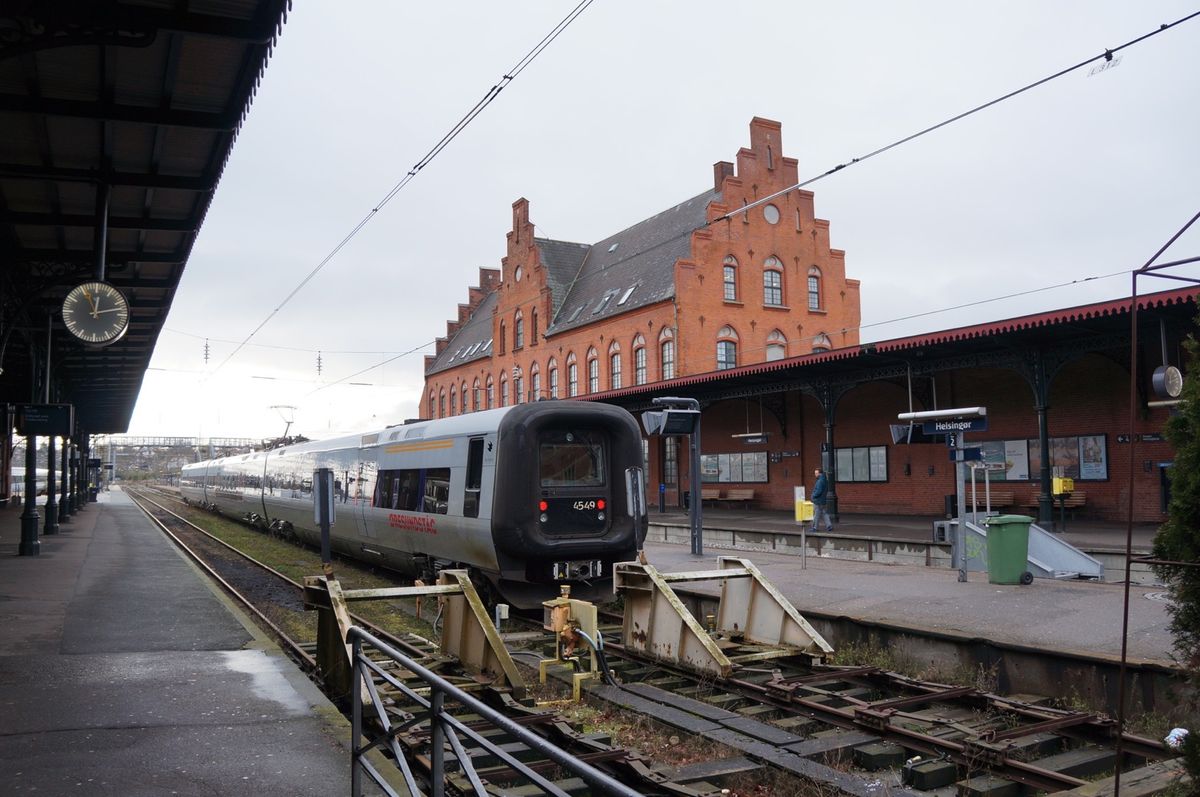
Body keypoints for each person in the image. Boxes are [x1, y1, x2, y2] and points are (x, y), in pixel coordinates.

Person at [810, 467, 834, 532]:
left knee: (816, 515)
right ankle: (829, 526)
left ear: (820, 473)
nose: (815, 474)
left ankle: (815, 527)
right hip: (823, 500)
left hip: (818, 501)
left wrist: (813, 496)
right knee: (824, 513)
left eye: (816, 473)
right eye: (815, 473)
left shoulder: (820, 481)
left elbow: (818, 491)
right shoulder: (825, 480)